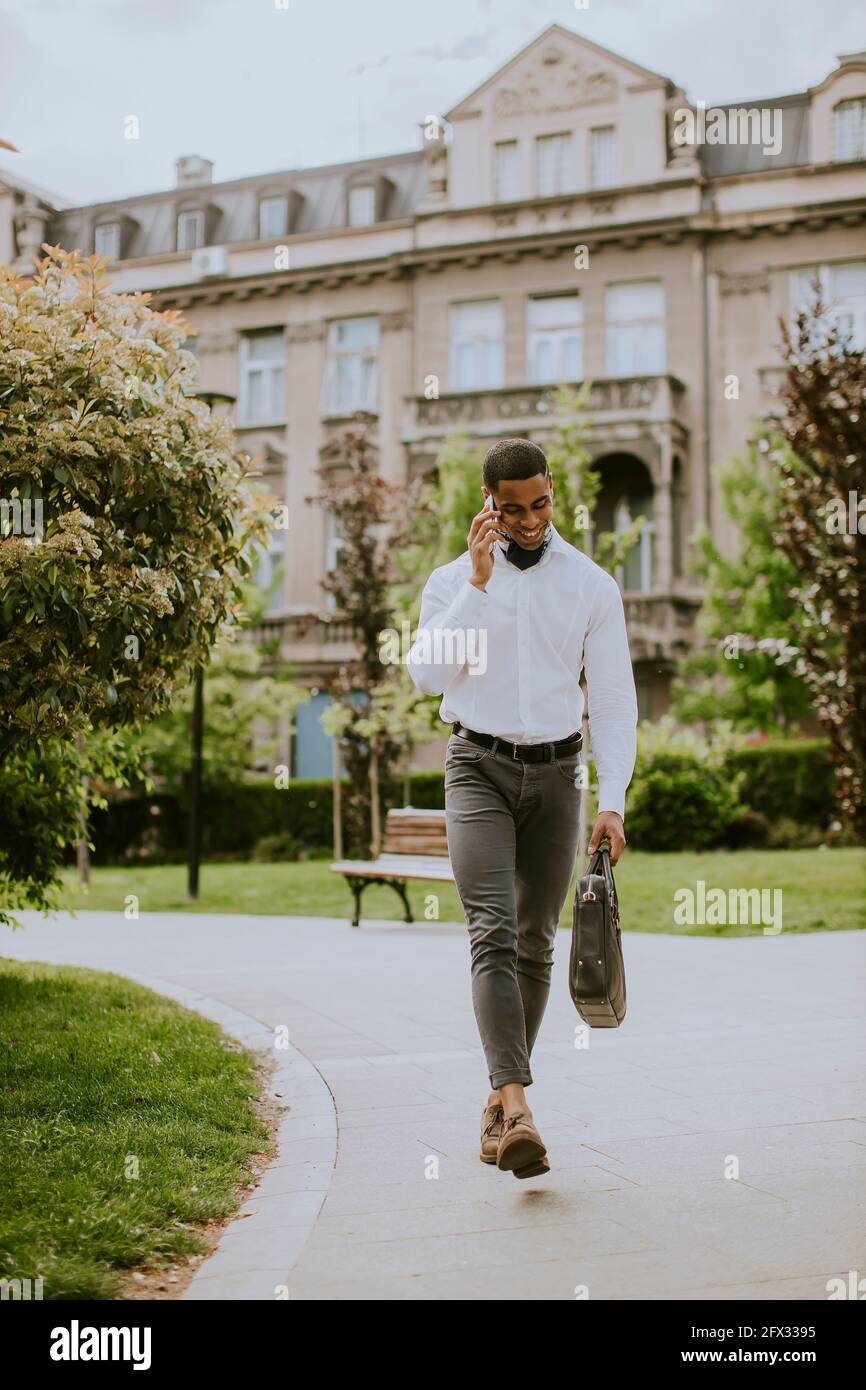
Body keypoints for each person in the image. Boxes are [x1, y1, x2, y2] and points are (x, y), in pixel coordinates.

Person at [407, 438, 637, 1179]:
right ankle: (521, 1109)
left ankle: (497, 1104)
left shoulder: (591, 585)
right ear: (489, 506)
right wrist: (477, 585)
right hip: (476, 765)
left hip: (560, 772)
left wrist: (614, 800)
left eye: (539, 503)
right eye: (513, 509)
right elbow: (425, 676)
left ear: (552, 492)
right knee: (493, 930)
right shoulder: (452, 581)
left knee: (536, 940)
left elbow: (612, 698)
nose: (530, 520)